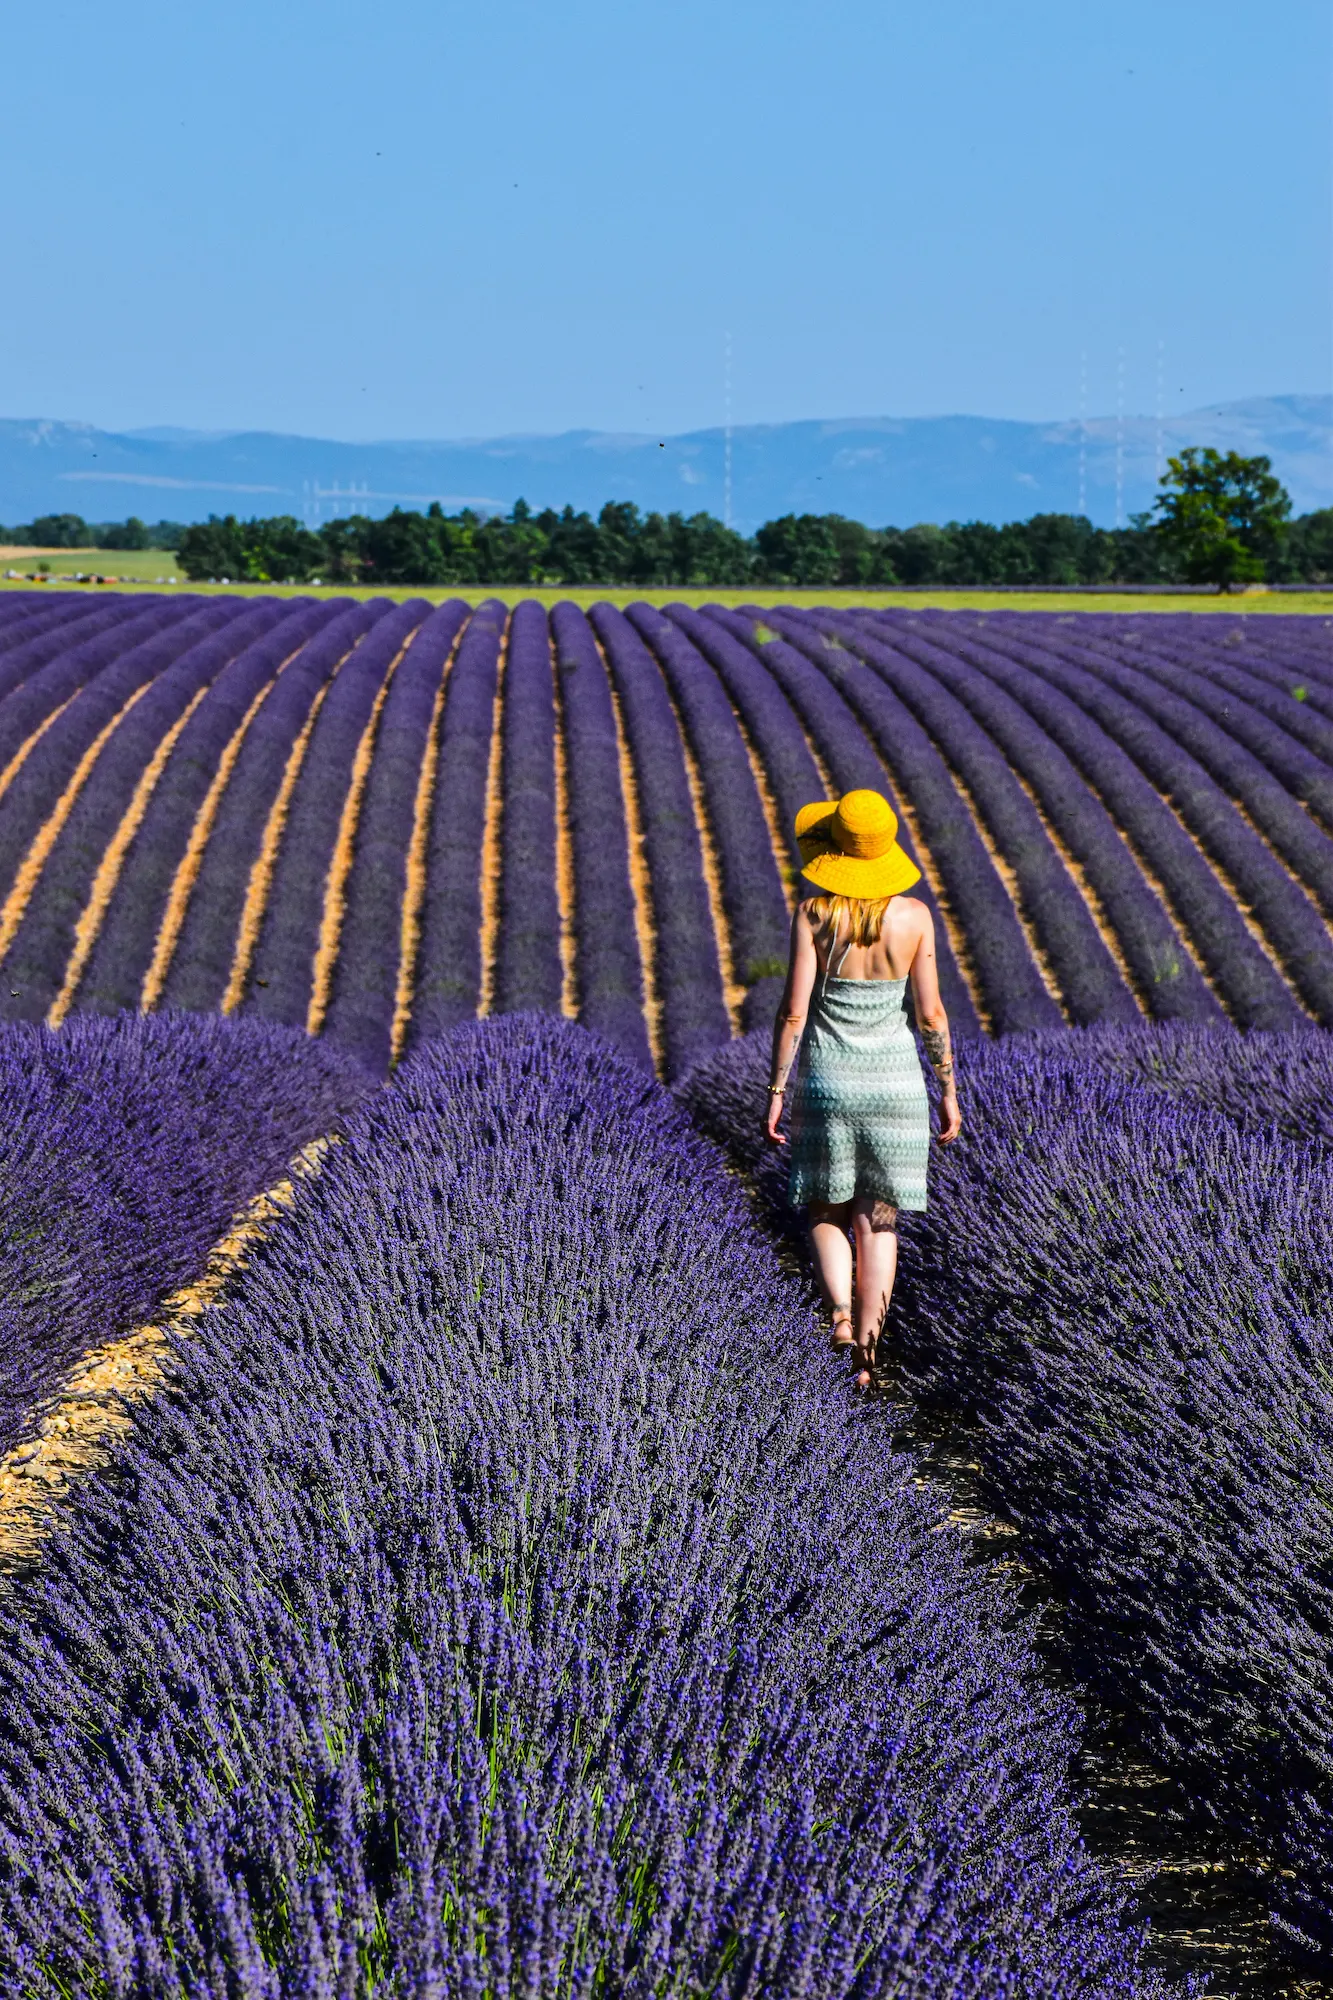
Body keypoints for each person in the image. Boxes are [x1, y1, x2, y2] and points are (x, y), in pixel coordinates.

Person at [766, 788, 962, 1386]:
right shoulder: (915, 918)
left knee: (827, 1209)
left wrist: (776, 1090)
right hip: (897, 1087)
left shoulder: (814, 915)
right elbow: (931, 1015)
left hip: (828, 1081)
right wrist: (948, 1089)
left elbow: (794, 1013)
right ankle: (870, 1354)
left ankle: (843, 1315)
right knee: (879, 1220)